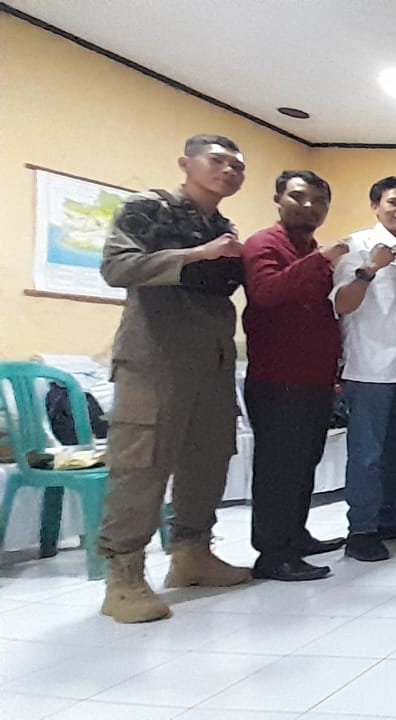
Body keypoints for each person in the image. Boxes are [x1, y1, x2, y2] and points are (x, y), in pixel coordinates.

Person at [97, 134, 251, 623]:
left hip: (212, 359)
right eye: (217, 161)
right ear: (186, 163)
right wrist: (195, 255)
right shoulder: (149, 208)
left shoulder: (223, 227)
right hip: (155, 359)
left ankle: (192, 554)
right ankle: (123, 577)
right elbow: (116, 267)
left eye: (237, 166)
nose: (228, 171)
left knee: (209, 457)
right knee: (142, 465)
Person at [240, 170, 347, 583]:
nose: (309, 207)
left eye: (319, 201)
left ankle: (295, 536)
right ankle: (272, 553)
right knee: (278, 468)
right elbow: (266, 292)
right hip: (277, 380)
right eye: (298, 197)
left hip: (315, 380)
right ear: (278, 199)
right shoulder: (264, 244)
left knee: (304, 464)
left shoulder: (313, 250)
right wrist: (320, 261)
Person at [330, 176, 396, 562]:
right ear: (376, 206)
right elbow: (341, 304)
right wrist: (370, 268)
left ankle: (390, 517)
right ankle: (361, 530)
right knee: (367, 454)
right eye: (393, 202)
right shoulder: (356, 247)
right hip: (368, 368)